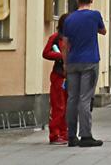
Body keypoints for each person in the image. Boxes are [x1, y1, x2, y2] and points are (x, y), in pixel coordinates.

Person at [61, 0, 106, 147]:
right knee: (85, 98)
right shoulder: (95, 15)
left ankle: (71, 136)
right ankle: (86, 135)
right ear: (91, 0)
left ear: (78, 1)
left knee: (72, 98)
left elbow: (65, 44)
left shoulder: (69, 19)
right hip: (90, 61)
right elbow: (103, 31)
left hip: (73, 61)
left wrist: (65, 63)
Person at [42, 13, 69, 145]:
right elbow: (46, 53)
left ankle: (65, 133)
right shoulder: (55, 38)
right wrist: (60, 55)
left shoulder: (72, 38)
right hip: (59, 76)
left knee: (68, 106)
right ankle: (55, 134)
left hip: (70, 76)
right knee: (58, 105)